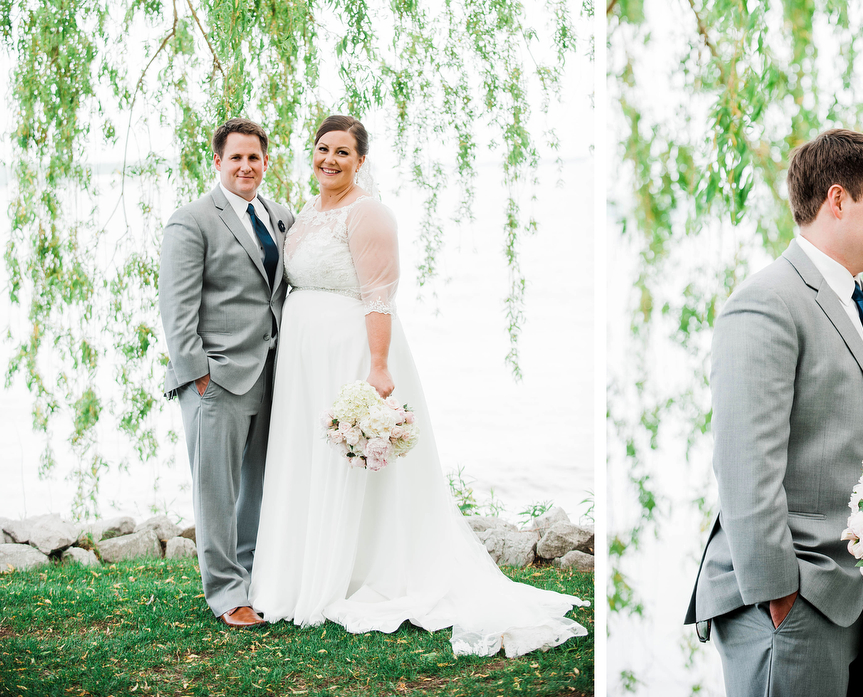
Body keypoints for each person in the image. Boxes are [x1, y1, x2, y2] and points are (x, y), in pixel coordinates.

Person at [249, 115, 587, 657]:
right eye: (322, 149)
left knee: (351, 465)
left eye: (343, 152)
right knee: (310, 459)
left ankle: (357, 569)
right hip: (303, 360)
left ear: (361, 161)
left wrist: (378, 366)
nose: (330, 159)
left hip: (351, 352)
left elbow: (380, 295)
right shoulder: (308, 212)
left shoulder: (370, 214)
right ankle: (305, 567)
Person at [685, 128, 863, 697]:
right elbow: (743, 463)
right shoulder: (767, 301)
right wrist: (777, 595)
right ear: (837, 200)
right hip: (790, 598)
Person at [159, 118, 294, 629]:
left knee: (260, 485)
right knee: (216, 490)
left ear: (265, 161)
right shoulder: (191, 220)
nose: (245, 166)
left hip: (272, 374)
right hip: (216, 379)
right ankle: (224, 593)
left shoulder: (280, 215)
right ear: (217, 162)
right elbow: (176, 311)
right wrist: (199, 378)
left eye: (254, 158)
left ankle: (255, 579)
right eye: (235, 158)